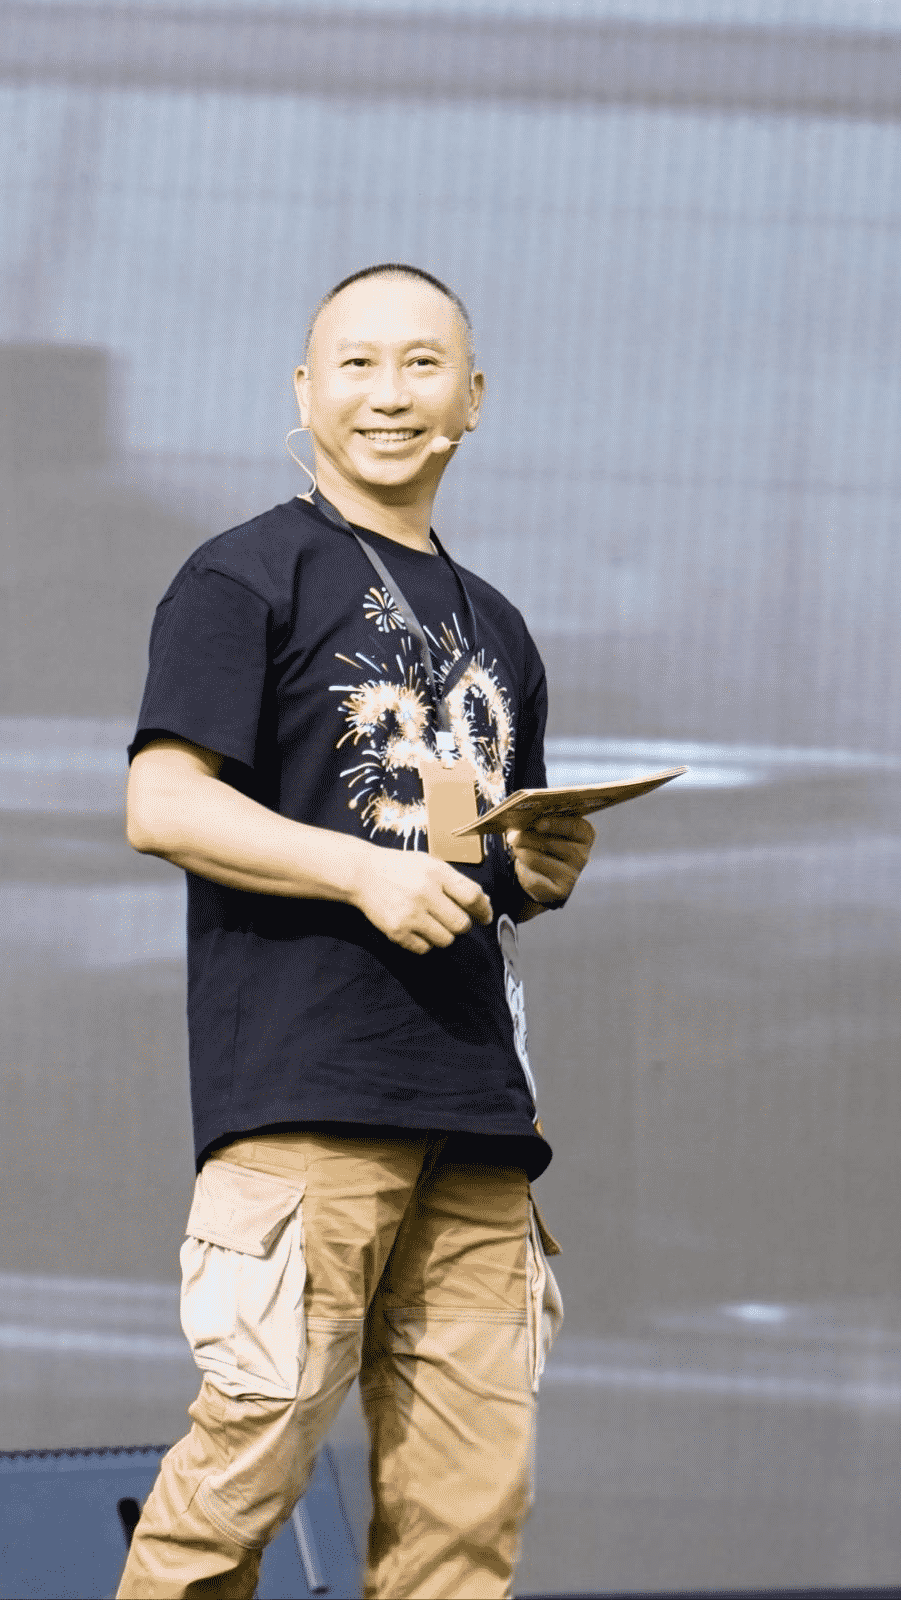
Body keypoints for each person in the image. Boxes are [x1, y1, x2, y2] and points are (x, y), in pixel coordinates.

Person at [118, 263, 595, 1599]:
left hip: (478, 1115)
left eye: (423, 364)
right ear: (305, 390)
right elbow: (161, 803)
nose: (391, 394)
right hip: (310, 1100)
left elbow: (470, 856)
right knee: (243, 1472)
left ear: (474, 399)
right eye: (359, 363)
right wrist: (360, 876)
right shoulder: (242, 575)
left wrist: (535, 868)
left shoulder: (497, 623)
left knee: (465, 1521)